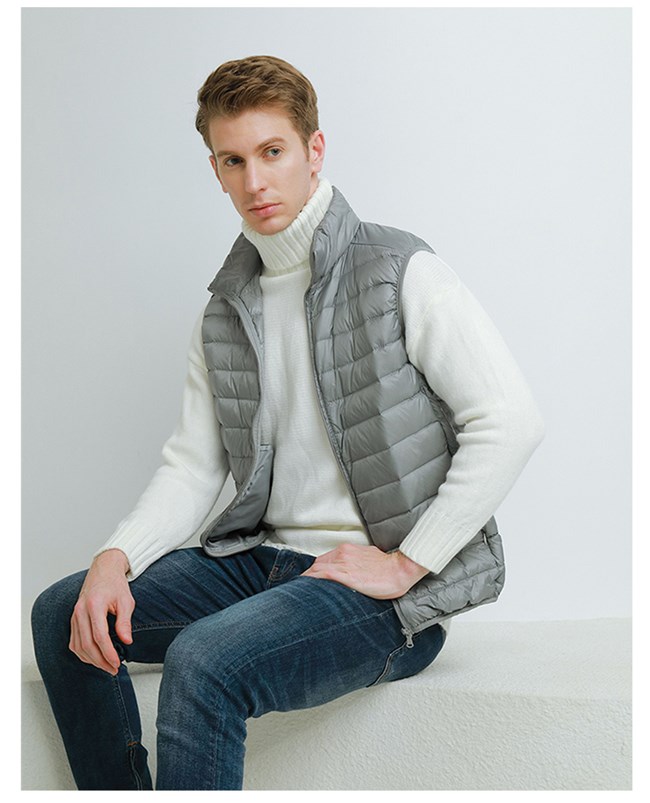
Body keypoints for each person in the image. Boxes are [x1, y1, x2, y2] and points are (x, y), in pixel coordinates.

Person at [31, 55, 545, 790]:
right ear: (216, 170)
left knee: (204, 662)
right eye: (234, 160)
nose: (256, 182)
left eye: (272, 152)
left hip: (380, 598)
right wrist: (116, 557)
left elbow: (510, 420)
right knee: (64, 613)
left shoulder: (398, 269)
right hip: (262, 563)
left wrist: (407, 564)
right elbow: (195, 465)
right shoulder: (226, 308)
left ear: (314, 149)